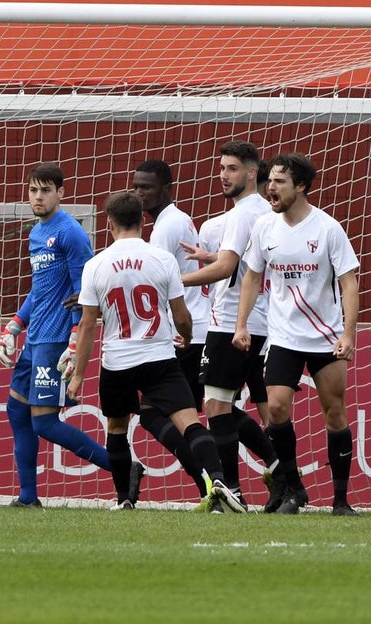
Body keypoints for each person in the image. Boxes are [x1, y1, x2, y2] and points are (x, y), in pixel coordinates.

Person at [67, 192, 245, 513]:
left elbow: (88, 326)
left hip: (118, 361)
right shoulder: (161, 259)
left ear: (109, 223)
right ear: (142, 221)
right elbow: (181, 315)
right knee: (190, 424)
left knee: (117, 429)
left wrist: (78, 374)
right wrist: (188, 337)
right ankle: (219, 481)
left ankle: (124, 500)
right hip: (160, 359)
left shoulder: (95, 266)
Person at [233, 152, 360, 517]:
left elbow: (349, 282)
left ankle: (340, 500)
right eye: (269, 181)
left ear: (301, 186)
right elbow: (252, 277)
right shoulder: (264, 228)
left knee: (334, 413)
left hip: (325, 335)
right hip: (283, 336)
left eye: (279, 182)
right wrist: (242, 325)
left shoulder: (327, 228)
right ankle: (294, 488)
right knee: (275, 408)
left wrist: (348, 334)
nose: (270, 188)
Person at [0, 162, 114, 508]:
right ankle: (28, 498)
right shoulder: (37, 232)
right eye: (33, 190)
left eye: (45, 190)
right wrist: (14, 326)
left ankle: (121, 467)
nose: (38, 197)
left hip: (56, 339)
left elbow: (85, 290)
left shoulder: (71, 233)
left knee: (44, 423)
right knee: (16, 412)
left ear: (61, 193)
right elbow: (40, 290)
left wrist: (76, 338)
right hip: (35, 339)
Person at [179, 141, 279, 511]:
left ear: (252, 173)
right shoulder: (263, 211)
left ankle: (233, 490)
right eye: (222, 167)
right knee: (223, 406)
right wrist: (213, 257)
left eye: (232, 168)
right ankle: (279, 472)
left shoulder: (241, 214)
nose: (223, 175)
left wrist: (174, 281)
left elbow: (225, 270)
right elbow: (237, 263)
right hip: (259, 321)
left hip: (233, 322)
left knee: (216, 408)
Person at [130, 160, 214, 503]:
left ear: (166, 187)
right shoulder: (172, 221)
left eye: (146, 187)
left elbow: (157, 284)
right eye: (136, 186)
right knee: (190, 415)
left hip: (185, 334)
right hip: (192, 330)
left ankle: (213, 480)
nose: (139, 193)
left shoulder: (166, 227)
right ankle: (215, 482)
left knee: (156, 413)